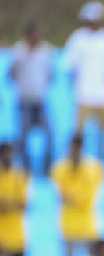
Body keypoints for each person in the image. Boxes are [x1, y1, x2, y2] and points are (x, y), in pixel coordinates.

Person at [63, 2, 104, 163]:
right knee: (79, 134)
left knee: (103, 134)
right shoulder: (77, 38)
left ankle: (102, 166)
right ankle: (77, 164)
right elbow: (70, 67)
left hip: (103, 96)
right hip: (83, 95)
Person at [51, 133, 104, 256]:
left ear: (82, 147)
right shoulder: (59, 168)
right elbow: (61, 197)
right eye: (72, 147)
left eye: (77, 147)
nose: (74, 150)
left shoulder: (95, 168)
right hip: (67, 227)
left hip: (89, 227)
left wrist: (73, 198)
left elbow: (91, 198)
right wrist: (78, 197)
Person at [9, 22, 55, 175]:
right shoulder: (19, 51)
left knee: (49, 134)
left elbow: (50, 75)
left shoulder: (46, 51)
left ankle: (47, 169)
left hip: (40, 101)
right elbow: (11, 74)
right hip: (24, 101)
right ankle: (25, 169)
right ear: (27, 36)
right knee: (23, 137)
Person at [0, 142, 30, 256]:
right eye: (4, 153)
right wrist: (13, 203)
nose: (7, 157)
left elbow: (24, 204)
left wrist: (5, 203)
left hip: (18, 239)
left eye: (10, 153)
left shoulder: (21, 177)